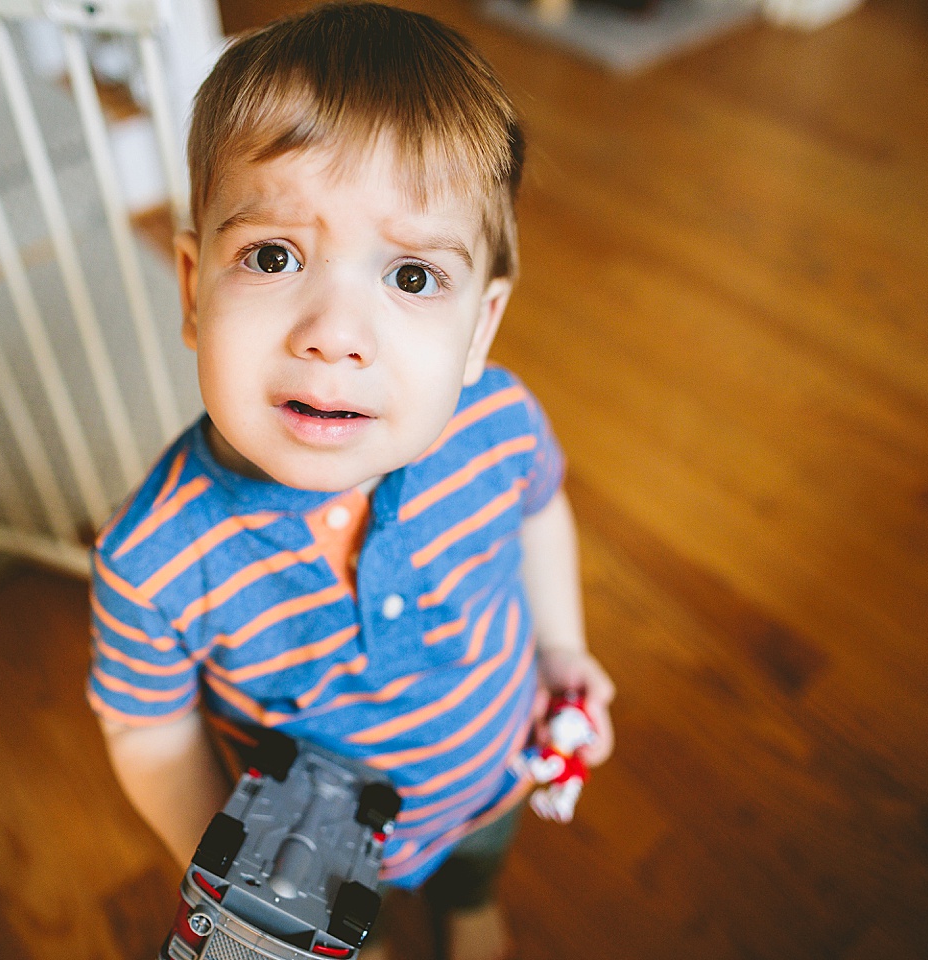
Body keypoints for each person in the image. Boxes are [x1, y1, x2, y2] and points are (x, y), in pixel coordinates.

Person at [87, 4, 615, 958]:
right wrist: (253, 884)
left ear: (481, 330)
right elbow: (149, 738)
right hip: (308, 861)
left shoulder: (497, 425)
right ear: (191, 293)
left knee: (476, 859)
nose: (334, 331)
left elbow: (540, 512)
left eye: (412, 277)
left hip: (490, 767)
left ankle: (468, 904)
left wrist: (564, 648)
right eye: (274, 256)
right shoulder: (151, 559)